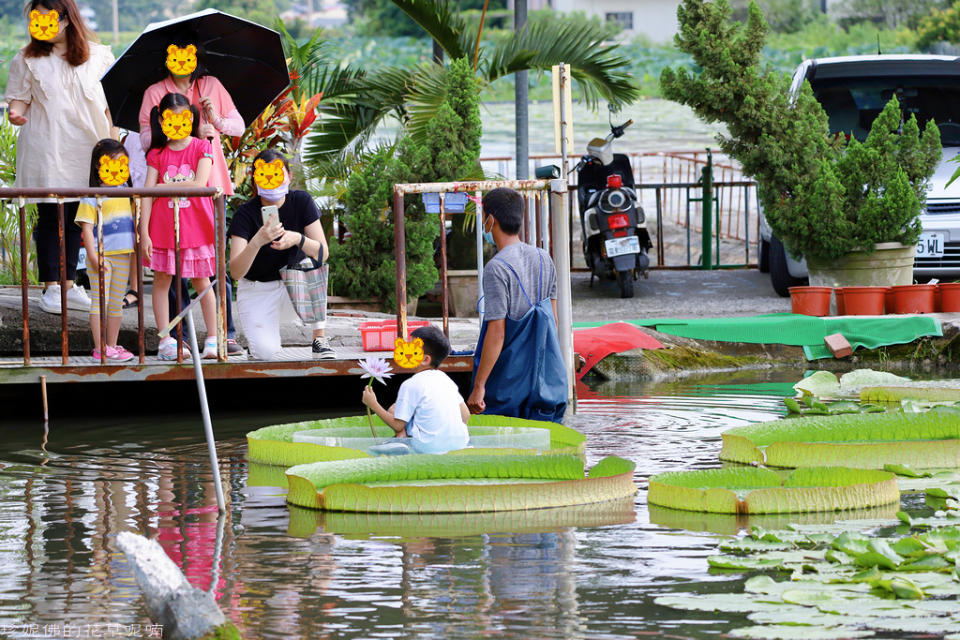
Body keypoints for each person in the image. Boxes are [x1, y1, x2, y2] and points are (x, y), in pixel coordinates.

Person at [5, 0, 115, 314]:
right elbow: (19, 101)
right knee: (51, 214)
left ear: (67, 18)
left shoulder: (99, 56)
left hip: (87, 148)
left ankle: (69, 285)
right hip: (47, 146)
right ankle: (52, 287)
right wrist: (14, 114)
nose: (41, 24)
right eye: (35, 18)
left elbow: (110, 107)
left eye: (48, 17)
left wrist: (112, 142)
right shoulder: (26, 58)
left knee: (77, 218)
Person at [136, 40, 243, 352]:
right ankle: (175, 337)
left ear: (196, 57)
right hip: (166, 210)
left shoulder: (211, 86)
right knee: (168, 276)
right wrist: (181, 132)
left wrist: (213, 122)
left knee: (209, 270)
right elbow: (146, 137)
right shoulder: (155, 93)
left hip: (208, 194)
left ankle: (222, 334)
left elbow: (236, 126)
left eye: (188, 55)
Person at [466, 187, 567, 422]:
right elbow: (553, 319)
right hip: (548, 380)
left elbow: (497, 332)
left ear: (490, 220)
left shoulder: (496, 268)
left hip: (509, 384)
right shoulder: (544, 258)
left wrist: (479, 386)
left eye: (483, 218)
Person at [228, 149, 334, 361]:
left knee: (311, 259)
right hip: (257, 290)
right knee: (266, 353)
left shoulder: (301, 201)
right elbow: (236, 272)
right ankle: (258, 341)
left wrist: (298, 239)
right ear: (255, 180)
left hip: (293, 289)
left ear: (289, 176)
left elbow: (323, 254)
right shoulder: (245, 214)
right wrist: (257, 240)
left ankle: (319, 338)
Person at [140, 92, 219, 360]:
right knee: (162, 281)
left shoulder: (201, 147)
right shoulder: (156, 154)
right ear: (161, 121)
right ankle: (166, 340)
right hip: (163, 229)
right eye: (170, 119)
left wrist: (162, 186)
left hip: (194, 227)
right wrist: (144, 233)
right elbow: (147, 195)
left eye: (182, 118)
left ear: (191, 118)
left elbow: (199, 184)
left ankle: (213, 338)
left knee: (201, 281)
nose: (176, 124)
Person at [362, 324, 470, 454]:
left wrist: (373, 404)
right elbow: (465, 415)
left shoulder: (410, 385)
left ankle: (401, 441)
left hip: (426, 447)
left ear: (425, 359)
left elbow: (398, 425)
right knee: (402, 410)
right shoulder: (447, 380)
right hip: (460, 444)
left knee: (393, 410)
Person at [75, 139, 136, 362]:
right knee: (100, 301)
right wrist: (93, 255)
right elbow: (87, 228)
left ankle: (112, 344)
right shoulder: (93, 196)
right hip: (101, 257)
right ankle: (100, 347)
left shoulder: (128, 192)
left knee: (116, 302)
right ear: (98, 167)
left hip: (123, 255)